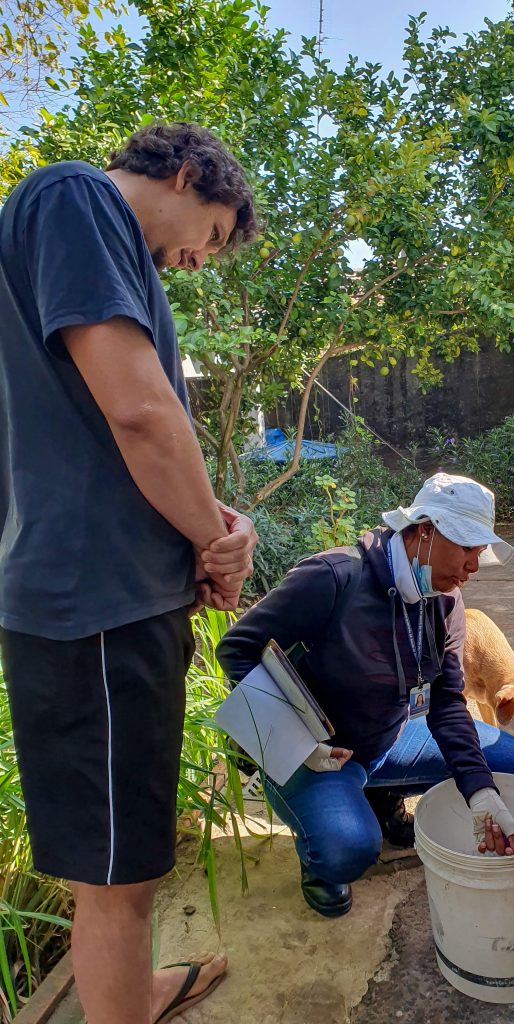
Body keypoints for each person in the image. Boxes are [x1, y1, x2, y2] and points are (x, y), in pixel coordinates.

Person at [0, 123, 260, 1024]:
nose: (199, 259)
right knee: (118, 877)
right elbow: (142, 413)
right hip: (97, 607)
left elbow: (139, 432)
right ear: (187, 174)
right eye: (213, 234)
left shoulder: (96, 244)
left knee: (115, 859)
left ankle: (126, 990)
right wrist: (216, 542)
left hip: (101, 600)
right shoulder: (79, 198)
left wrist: (214, 520)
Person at [216, 473, 514, 919]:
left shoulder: (445, 601)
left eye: (480, 552)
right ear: (424, 529)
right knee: (349, 850)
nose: (474, 566)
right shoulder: (335, 577)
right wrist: (294, 741)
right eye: (467, 547)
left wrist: (480, 792)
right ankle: (319, 854)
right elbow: (236, 648)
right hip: (319, 752)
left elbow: (446, 702)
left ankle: (379, 795)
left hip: (388, 736)